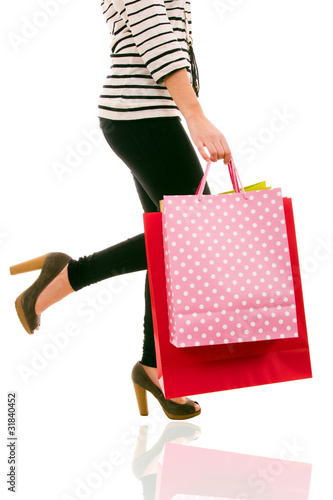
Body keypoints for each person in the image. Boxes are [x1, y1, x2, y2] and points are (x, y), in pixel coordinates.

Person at [10, 0, 231, 420]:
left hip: (146, 117)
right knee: (195, 236)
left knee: (168, 245)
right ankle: (67, 275)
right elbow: (155, 32)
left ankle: (154, 368)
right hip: (144, 119)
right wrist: (196, 115)